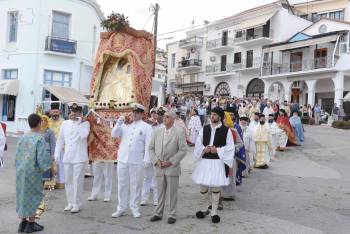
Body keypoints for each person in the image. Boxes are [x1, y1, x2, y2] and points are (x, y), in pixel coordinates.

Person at [192, 107, 235, 224]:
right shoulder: (204, 128)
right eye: (211, 114)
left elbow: (231, 147)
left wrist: (218, 150)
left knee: (216, 187)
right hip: (205, 160)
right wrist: (203, 148)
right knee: (203, 186)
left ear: (220, 117)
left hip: (217, 161)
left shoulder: (227, 130)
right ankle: (204, 208)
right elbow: (198, 142)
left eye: (215, 115)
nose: (212, 116)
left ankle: (214, 212)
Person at [111, 104, 152, 218]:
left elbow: (148, 145)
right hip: (122, 159)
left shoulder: (146, 127)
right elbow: (114, 134)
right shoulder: (125, 125)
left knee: (135, 185)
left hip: (137, 160)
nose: (133, 114)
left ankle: (134, 207)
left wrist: (146, 160)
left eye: (136, 112)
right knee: (122, 185)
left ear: (141, 114)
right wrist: (119, 123)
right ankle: (121, 208)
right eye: (133, 112)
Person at [149, 111, 187, 224]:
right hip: (159, 166)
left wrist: (171, 161)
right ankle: (158, 213)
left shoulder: (179, 132)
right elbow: (150, 148)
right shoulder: (157, 131)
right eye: (164, 116)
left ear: (173, 119)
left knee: (172, 193)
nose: (164, 118)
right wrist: (156, 161)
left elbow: (183, 150)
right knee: (159, 192)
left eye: (167, 117)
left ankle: (172, 214)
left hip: (172, 167)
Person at [16, 114, 51, 233]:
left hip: (21, 171)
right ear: (39, 123)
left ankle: (23, 222)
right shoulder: (39, 138)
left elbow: (17, 155)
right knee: (33, 196)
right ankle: (31, 223)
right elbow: (42, 158)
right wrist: (49, 167)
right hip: (33, 171)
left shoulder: (23, 137)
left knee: (22, 195)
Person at [54, 103, 90, 213]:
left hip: (79, 157)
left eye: (76, 112)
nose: (74, 114)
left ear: (80, 113)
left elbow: (83, 136)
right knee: (68, 181)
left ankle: (77, 203)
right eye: (72, 111)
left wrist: (79, 122)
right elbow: (60, 140)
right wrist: (56, 153)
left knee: (77, 181)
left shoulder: (85, 124)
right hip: (68, 156)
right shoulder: (65, 123)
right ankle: (70, 202)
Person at [141, 108, 161, 207]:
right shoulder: (146, 125)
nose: (154, 115)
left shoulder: (161, 126)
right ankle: (144, 199)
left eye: (156, 113)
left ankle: (156, 200)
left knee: (156, 178)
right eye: (153, 113)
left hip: (157, 154)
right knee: (146, 178)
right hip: (147, 154)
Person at [50, 109, 65, 189]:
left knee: (61, 164)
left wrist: (64, 145)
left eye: (56, 112)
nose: (55, 114)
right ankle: (51, 182)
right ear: (50, 112)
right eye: (53, 112)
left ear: (59, 112)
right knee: (52, 164)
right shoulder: (47, 121)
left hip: (61, 147)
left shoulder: (63, 122)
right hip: (51, 147)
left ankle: (61, 182)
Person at [40, 115, 56, 185]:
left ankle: (43, 186)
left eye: (45, 120)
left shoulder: (50, 131)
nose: (43, 122)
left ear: (47, 122)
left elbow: (53, 143)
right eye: (42, 120)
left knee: (45, 171)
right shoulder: (37, 130)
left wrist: (52, 155)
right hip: (39, 153)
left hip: (47, 153)